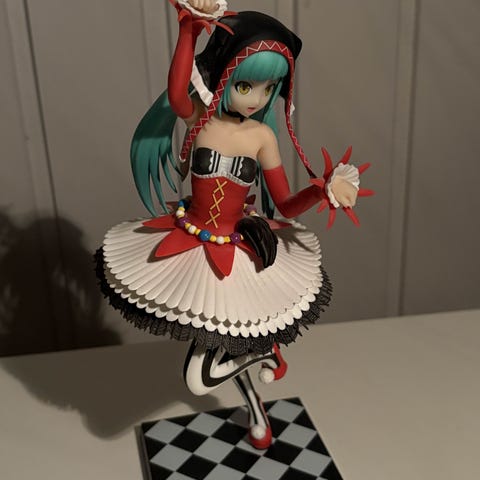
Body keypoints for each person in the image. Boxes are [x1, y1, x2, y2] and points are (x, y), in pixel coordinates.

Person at [96, 0, 371, 449]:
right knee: (222, 339)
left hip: (237, 249)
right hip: (191, 241)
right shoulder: (200, 119)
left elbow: (286, 202)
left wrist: (322, 190)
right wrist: (188, 28)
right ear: (223, 74)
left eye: (269, 88)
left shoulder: (262, 138)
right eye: (246, 85)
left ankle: (264, 353)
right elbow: (176, 93)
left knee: (200, 376)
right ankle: (258, 403)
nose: (257, 99)